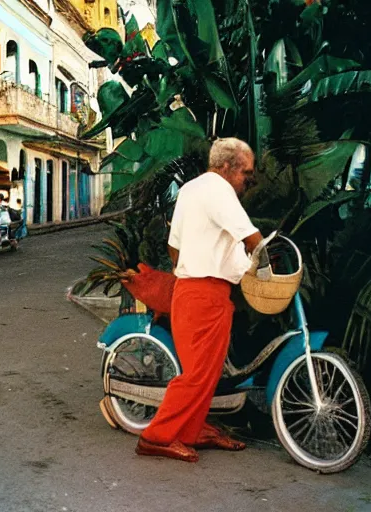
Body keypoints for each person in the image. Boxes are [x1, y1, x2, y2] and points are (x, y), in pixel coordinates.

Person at [135, 138, 263, 463]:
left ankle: (193, 430)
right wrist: (267, 262)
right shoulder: (219, 190)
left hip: (192, 290)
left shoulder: (191, 190)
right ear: (227, 167)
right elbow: (252, 239)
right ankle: (156, 437)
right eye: (245, 172)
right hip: (206, 293)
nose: (249, 179)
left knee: (204, 372)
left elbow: (173, 247)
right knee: (196, 376)